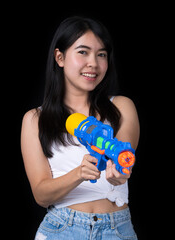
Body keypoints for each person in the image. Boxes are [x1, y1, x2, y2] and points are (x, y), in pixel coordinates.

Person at [21, 16, 140, 239]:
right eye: (83, 52)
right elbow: (41, 194)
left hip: (117, 228)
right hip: (61, 229)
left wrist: (120, 174)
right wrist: (79, 174)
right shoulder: (34, 119)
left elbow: (123, 158)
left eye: (101, 54)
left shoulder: (122, 107)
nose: (93, 63)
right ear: (60, 57)